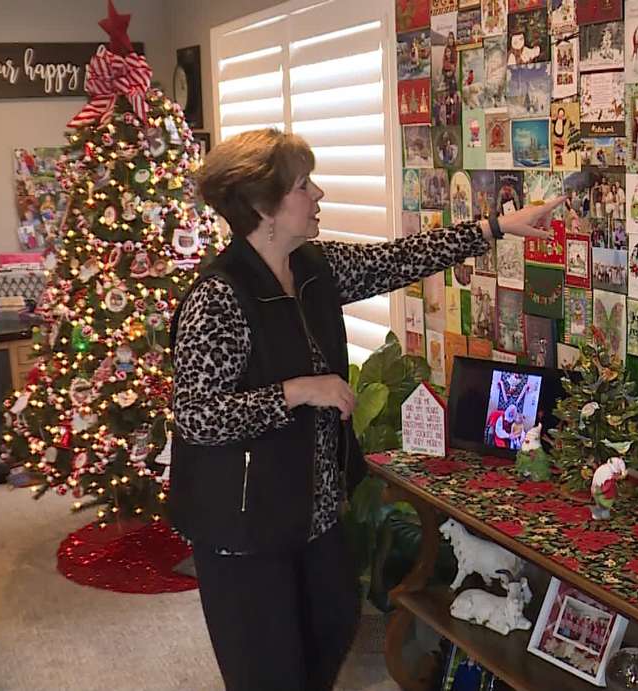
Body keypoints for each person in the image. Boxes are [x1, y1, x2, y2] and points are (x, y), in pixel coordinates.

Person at [170, 129, 563, 690]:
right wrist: (298, 391)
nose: (320, 195)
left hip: (315, 509)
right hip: (245, 525)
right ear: (264, 207)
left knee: (332, 627)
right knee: (269, 671)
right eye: (304, 185)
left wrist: (494, 227)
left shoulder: (312, 267)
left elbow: (395, 260)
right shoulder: (221, 296)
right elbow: (197, 417)